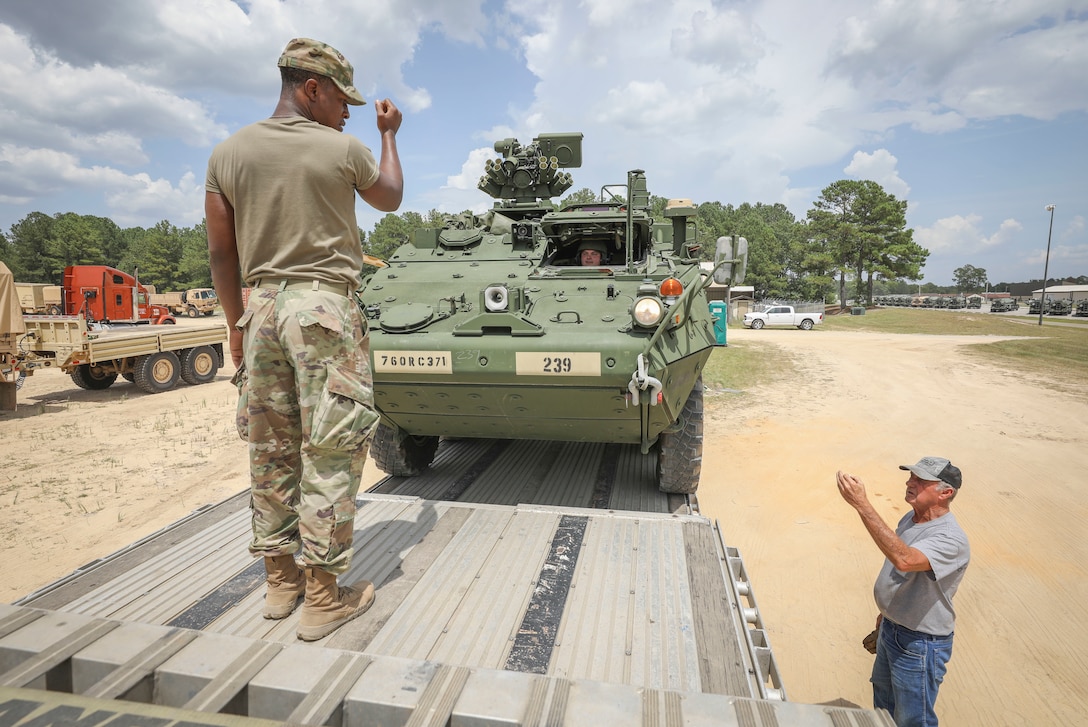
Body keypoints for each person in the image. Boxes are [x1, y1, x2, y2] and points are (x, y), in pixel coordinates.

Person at [205, 37, 403, 641]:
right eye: (341, 97)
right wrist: (389, 134)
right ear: (310, 88)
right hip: (322, 309)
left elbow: (221, 251)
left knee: (271, 450)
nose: (347, 110)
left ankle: (279, 582)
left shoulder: (227, 153)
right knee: (331, 448)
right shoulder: (342, 147)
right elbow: (390, 198)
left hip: (260, 309)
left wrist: (235, 329)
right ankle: (323, 598)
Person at [836, 457, 970, 727]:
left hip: (919, 644)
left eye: (921, 480)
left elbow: (905, 560)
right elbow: (900, 574)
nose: (910, 482)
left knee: (913, 719)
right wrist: (885, 615)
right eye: (911, 477)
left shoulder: (951, 540)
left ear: (946, 493)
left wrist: (862, 504)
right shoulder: (911, 518)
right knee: (884, 705)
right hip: (892, 629)